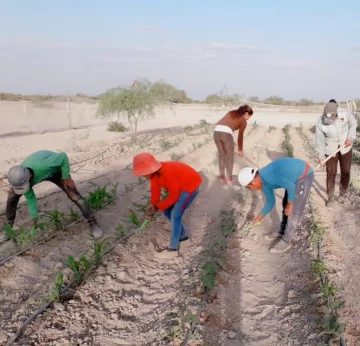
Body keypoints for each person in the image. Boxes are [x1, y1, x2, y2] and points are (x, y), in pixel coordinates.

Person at [5, 150, 103, 238]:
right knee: (12, 196)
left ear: (29, 177)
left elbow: (63, 156)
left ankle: (93, 224)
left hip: (55, 170)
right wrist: (34, 217)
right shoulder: (21, 179)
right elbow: (31, 199)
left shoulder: (43, 165)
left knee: (75, 196)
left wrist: (66, 177)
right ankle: (8, 230)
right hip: (41, 172)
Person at [238, 157, 314, 254]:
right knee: (285, 204)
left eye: (250, 188)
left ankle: (286, 241)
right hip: (293, 179)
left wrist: (290, 204)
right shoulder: (263, 183)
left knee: (293, 211)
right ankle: (282, 231)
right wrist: (259, 218)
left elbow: (291, 186)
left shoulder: (268, 176)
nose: (253, 190)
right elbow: (271, 202)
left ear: (253, 182)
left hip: (304, 175)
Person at [132, 152, 202, 259]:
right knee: (167, 210)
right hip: (180, 188)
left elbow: (174, 196)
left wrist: (157, 207)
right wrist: (153, 205)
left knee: (175, 214)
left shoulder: (167, 172)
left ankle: (172, 249)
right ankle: (184, 239)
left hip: (190, 188)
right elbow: (155, 190)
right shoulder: (154, 174)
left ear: (150, 170)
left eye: (143, 173)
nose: (143, 176)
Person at [315, 100, 357, 207]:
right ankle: (331, 197)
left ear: (336, 113)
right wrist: (321, 156)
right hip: (330, 148)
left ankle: (343, 195)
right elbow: (319, 140)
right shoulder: (320, 122)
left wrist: (350, 138)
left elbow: (353, 124)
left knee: (346, 171)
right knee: (331, 173)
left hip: (345, 146)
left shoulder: (345, 114)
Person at [213, 104, 254, 185]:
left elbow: (220, 122)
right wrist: (240, 150)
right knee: (230, 157)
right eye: (249, 116)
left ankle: (222, 178)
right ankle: (229, 179)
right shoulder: (243, 121)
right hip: (226, 134)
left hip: (216, 132)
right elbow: (240, 136)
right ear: (246, 113)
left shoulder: (231, 113)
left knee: (222, 156)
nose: (248, 118)